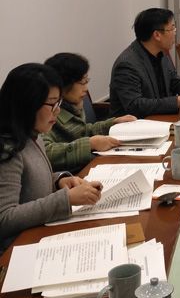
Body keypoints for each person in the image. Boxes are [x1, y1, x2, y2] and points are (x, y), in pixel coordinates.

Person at [0, 63, 103, 253]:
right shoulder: (7, 150)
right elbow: (4, 218)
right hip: (18, 251)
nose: (57, 111)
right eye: (52, 104)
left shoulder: (33, 134)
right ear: (27, 104)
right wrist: (65, 199)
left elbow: (29, 184)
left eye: (59, 103)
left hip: (41, 232)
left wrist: (59, 181)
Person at [43, 53, 136, 173]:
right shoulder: (46, 113)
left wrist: (113, 124)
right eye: (82, 82)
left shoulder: (73, 106)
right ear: (63, 85)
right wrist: (90, 144)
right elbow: (46, 153)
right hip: (69, 175)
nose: (86, 88)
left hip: (85, 166)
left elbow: (83, 131)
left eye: (87, 80)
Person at [109, 8, 180, 118]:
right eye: (172, 28)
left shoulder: (160, 53)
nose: (175, 32)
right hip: (136, 124)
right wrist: (176, 102)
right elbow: (135, 105)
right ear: (157, 35)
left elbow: (174, 82)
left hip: (161, 119)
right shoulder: (127, 65)